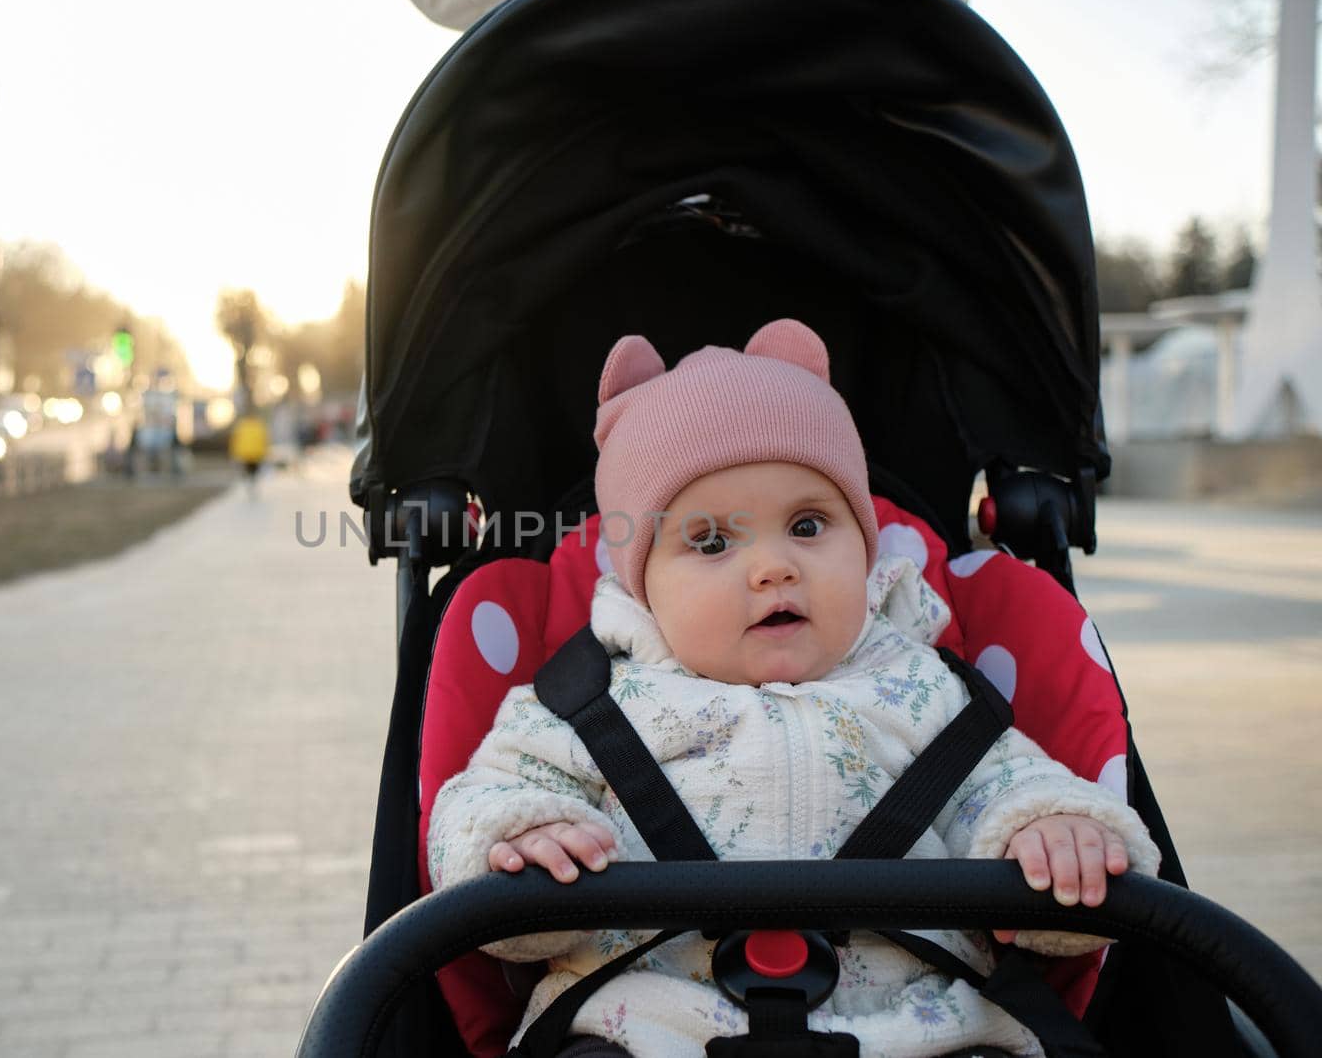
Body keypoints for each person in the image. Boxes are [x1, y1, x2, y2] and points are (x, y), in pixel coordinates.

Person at [427, 319, 1161, 1058]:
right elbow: (474, 803)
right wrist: (516, 841)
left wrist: (1057, 835)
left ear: (865, 542)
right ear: (639, 583)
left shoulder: (925, 689)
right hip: (649, 1027)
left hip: (915, 1031)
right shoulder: (586, 705)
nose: (773, 566)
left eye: (809, 524)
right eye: (712, 541)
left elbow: (1011, 784)